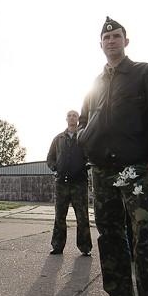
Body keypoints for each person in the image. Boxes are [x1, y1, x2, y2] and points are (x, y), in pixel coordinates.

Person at [78, 16, 148, 296]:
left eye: (116, 36)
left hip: (134, 169)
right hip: (102, 169)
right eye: (106, 38)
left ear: (126, 41)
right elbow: (82, 121)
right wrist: (84, 141)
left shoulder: (145, 74)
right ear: (100, 44)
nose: (111, 41)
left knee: (143, 236)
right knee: (109, 235)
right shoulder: (96, 83)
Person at [46, 109, 93, 256]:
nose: (72, 118)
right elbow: (50, 158)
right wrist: (55, 169)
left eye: (75, 116)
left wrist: (84, 167)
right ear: (66, 119)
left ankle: (85, 248)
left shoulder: (83, 137)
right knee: (60, 216)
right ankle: (57, 246)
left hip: (79, 183)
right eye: (70, 116)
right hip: (62, 183)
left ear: (78, 119)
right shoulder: (58, 139)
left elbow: (90, 157)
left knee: (82, 216)